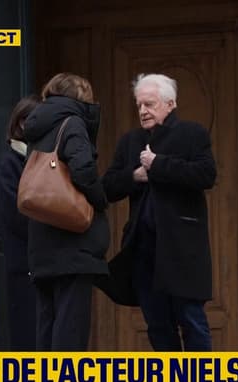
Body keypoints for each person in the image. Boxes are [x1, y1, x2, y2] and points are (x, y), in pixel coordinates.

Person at [102, 73, 217, 351]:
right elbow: (107, 186)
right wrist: (136, 176)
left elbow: (206, 175)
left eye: (150, 104)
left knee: (191, 320)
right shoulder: (130, 141)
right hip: (143, 249)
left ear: (170, 104)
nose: (143, 111)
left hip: (182, 248)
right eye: (139, 105)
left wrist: (159, 165)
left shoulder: (192, 134)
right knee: (157, 325)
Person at [23, 73, 109, 351]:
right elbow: (83, 170)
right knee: (70, 329)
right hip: (72, 244)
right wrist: (100, 200)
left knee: (47, 325)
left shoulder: (37, 127)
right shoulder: (72, 123)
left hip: (42, 244)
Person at [0, 94, 40, 350]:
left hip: (40, 263)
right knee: (27, 338)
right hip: (24, 264)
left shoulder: (38, 159)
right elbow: (16, 214)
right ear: (23, 123)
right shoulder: (10, 163)